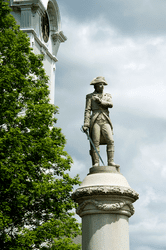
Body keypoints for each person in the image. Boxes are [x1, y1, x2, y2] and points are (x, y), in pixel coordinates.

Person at [82, 76, 117, 167]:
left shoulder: (107, 95)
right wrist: (86, 123)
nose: (101, 86)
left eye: (102, 84)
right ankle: (96, 163)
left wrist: (101, 102)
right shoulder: (90, 97)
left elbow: (110, 104)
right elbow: (87, 110)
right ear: (95, 86)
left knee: (111, 140)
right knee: (95, 142)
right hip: (95, 120)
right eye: (99, 84)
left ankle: (111, 161)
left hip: (105, 119)